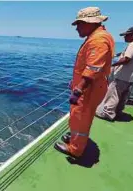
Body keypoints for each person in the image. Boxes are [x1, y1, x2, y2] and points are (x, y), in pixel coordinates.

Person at [54, 7, 115, 158]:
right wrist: (75, 82)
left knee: (81, 117)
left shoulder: (98, 40)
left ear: (90, 23)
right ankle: (77, 139)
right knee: (81, 116)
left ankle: (75, 149)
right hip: (92, 86)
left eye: (79, 24)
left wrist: (78, 89)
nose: (77, 28)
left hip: (89, 89)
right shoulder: (99, 36)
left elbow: (92, 70)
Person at [96, 26, 133, 121]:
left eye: (127, 35)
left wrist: (111, 65)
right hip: (132, 77)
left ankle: (107, 114)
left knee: (113, 94)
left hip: (123, 76)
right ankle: (118, 112)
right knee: (123, 97)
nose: (124, 38)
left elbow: (127, 59)